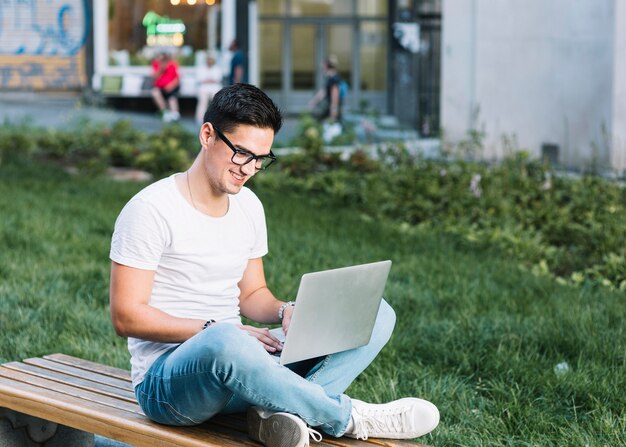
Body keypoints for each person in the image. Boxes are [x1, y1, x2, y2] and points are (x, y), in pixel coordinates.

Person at [109, 83, 439, 447]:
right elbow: (127, 317)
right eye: (241, 153)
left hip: (243, 365)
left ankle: (278, 415)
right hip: (169, 385)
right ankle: (346, 417)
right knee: (225, 339)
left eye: (260, 159)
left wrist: (287, 310)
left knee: (377, 314)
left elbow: (252, 294)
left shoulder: (249, 206)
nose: (249, 168)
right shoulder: (150, 210)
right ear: (207, 135)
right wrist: (215, 330)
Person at [308, 54, 343, 123]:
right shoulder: (330, 78)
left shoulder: (334, 79)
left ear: (326, 66)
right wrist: (314, 101)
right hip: (329, 108)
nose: (322, 67)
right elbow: (324, 91)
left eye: (323, 65)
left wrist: (333, 114)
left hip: (332, 110)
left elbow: (334, 97)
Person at [151, 51, 181, 122]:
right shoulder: (156, 65)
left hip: (172, 87)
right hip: (160, 88)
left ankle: (175, 114)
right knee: (155, 93)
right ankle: (165, 112)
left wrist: (171, 86)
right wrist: (161, 69)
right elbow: (154, 77)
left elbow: (177, 79)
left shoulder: (173, 65)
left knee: (172, 97)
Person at [195, 51, 223, 125]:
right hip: (204, 88)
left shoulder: (217, 68)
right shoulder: (201, 67)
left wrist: (207, 80)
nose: (209, 61)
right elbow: (200, 79)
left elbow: (218, 79)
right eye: (208, 59)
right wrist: (210, 80)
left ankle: (217, 118)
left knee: (216, 101)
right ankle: (200, 118)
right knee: (203, 101)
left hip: (214, 88)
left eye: (211, 59)